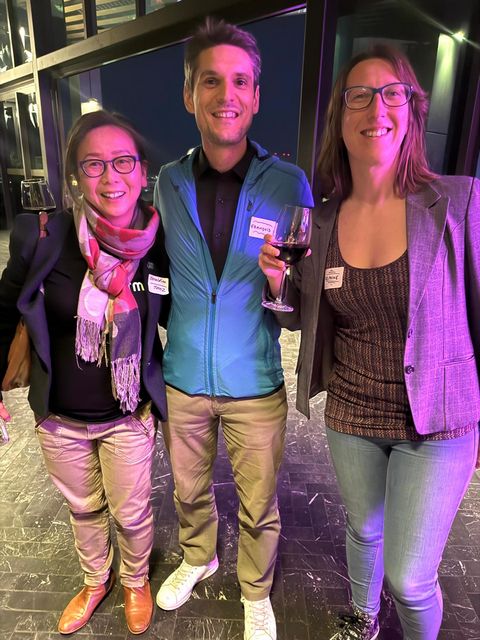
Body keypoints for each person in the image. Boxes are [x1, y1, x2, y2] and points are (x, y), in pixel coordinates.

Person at [259, 44, 479, 640]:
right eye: (359, 95)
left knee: (410, 578)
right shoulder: (322, 219)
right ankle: (362, 617)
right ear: (340, 116)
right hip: (352, 413)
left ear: (411, 110)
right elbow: (301, 317)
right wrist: (276, 282)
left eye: (391, 93)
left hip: (439, 422)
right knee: (363, 528)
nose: (375, 108)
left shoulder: (458, 202)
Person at [153, 17, 313, 640]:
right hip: (185, 375)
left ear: (256, 96)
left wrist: (278, 283)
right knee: (189, 490)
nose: (227, 94)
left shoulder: (287, 184)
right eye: (211, 80)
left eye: (241, 81)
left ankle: (255, 589)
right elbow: (154, 270)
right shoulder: (167, 183)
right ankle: (200, 556)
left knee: (258, 502)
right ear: (188, 94)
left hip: (254, 381)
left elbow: (298, 309)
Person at [0, 110, 170, 636]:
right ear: (75, 175)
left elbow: (182, 312)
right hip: (60, 417)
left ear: (143, 171)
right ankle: (97, 580)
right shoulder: (42, 235)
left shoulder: (159, 243)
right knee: (84, 509)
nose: (110, 176)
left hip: (128, 413)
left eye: (123, 161)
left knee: (131, 512)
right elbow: (5, 308)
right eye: (93, 164)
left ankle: (135, 580)